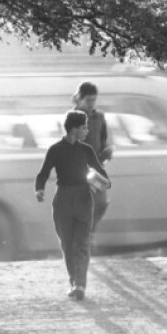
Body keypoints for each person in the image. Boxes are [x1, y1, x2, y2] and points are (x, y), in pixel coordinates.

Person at [35, 110, 109, 301]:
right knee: (67, 243)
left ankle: (80, 285)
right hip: (63, 200)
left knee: (82, 243)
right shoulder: (55, 150)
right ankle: (74, 281)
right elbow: (43, 174)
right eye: (84, 127)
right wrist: (39, 189)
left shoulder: (87, 150)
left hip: (84, 199)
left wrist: (102, 182)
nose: (87, 131)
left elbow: (103, 176)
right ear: (74, 129)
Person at [72, 82, 113, 234]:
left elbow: (104, 141)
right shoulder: (72, 118)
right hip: (77, 171)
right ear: (79, 99)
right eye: (88, 100)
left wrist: (107, 151)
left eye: (93, 100)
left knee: (102, 203)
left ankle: (89, 233)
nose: (91, 104)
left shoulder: (99, 117)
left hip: (96, 169)